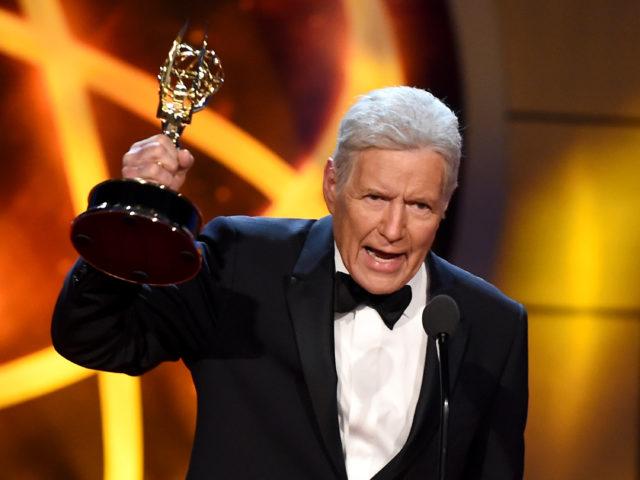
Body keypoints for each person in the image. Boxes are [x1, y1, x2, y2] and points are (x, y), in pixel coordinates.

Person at [52, 86, 528, 479]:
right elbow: (95, 339)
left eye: (420, 205)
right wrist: (129, 214)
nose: (393, 228)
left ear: (446, 203)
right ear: (332, 185)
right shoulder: (242, 263)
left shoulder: (492, 326)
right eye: (375, 198)